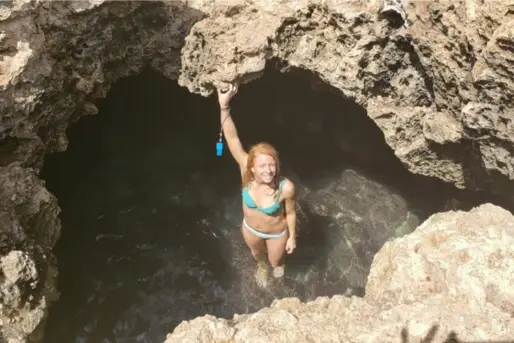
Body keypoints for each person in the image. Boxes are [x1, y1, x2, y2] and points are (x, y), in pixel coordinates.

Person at [217, 82, 297, 286]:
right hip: (251, 230)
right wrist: (224, 106)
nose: (268, 170)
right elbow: (233, 139)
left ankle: (278, 265)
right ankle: (262, 267)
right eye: (262, 166)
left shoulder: (285, 187)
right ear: (252, 168)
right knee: (257, 255)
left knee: (276, 260)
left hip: (276, 233)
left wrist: (292, 238)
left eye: (272, 165)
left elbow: (291, 213)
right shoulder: (246, 173)